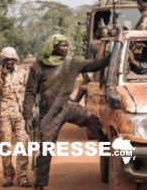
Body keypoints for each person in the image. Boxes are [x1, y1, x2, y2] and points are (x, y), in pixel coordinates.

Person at [22, 34, 111, 189]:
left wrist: (117, 48)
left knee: (94, 121)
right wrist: (27, 115)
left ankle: (108, 152)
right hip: (49, 114)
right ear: (53, 48)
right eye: (62, 45)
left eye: (66, 45)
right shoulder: (38, 67)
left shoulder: (72, 63)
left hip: (68, 107)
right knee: (45, 150)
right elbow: (30, 92)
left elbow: (98, 64)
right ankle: (40, 184)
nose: (66, 48)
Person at [0, 47, 31, 188]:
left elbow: (30, 91)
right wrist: (2, 76)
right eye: (7, 60)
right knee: (5, 145)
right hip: (4, 115)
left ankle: (22, 177)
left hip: (21, 114)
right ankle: (8, 176)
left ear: (15, 60)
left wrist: (31, 111)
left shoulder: (23, 73)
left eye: (12, 60)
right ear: (3, 60)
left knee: (23, 144)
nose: (10, 62)